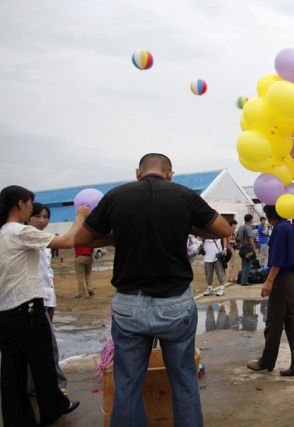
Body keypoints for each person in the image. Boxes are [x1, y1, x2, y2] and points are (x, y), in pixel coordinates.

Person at [74, 153, 232, 427]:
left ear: (138, 172)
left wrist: (118, 235)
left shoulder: (116, 196)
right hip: (175, 304)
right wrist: (183, 226)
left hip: (129, 304)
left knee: (127, 385)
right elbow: (223, 228)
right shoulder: (183, 195)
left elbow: (82, 237)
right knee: (184, 381)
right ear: (170, 174)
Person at [0, 185, 83, 426]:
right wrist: (80, 217)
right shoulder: (20, 231)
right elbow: (67, 242)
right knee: (43, 363)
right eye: (29, 204)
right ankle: (53, 408)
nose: (30, 210)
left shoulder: (2, 233)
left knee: (12, 371)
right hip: (27, 309)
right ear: (20, 205)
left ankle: (18, 418)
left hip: (5, 312)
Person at [246, 204, 294, 376]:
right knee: (293, 324)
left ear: (270, 216)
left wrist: (269, 281)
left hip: (283, 281)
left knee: (273, 323)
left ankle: (266, 362)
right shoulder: (293, 229)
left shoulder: (279, 230)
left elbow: (277, 260)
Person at [26, 203, 67, 392]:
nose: (42, 221)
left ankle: (34, 387)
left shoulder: (44, 241)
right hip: (35, 300)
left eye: (46, 216)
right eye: (38, 216)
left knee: (40, 346)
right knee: (49, 347)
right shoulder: (25, 237)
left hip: (48, 298)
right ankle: (57, 387)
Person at [237, 214, 256, 286]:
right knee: (248, 265)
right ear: (250, 219)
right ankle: (244, 281)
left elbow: (238, 238)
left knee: (243, 264)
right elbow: (250, 238)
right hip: (248, 248)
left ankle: (242, 280)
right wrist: (253, 247)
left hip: (241, 247)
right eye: (252, 219)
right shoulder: (248, 227)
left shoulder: (240, 227)